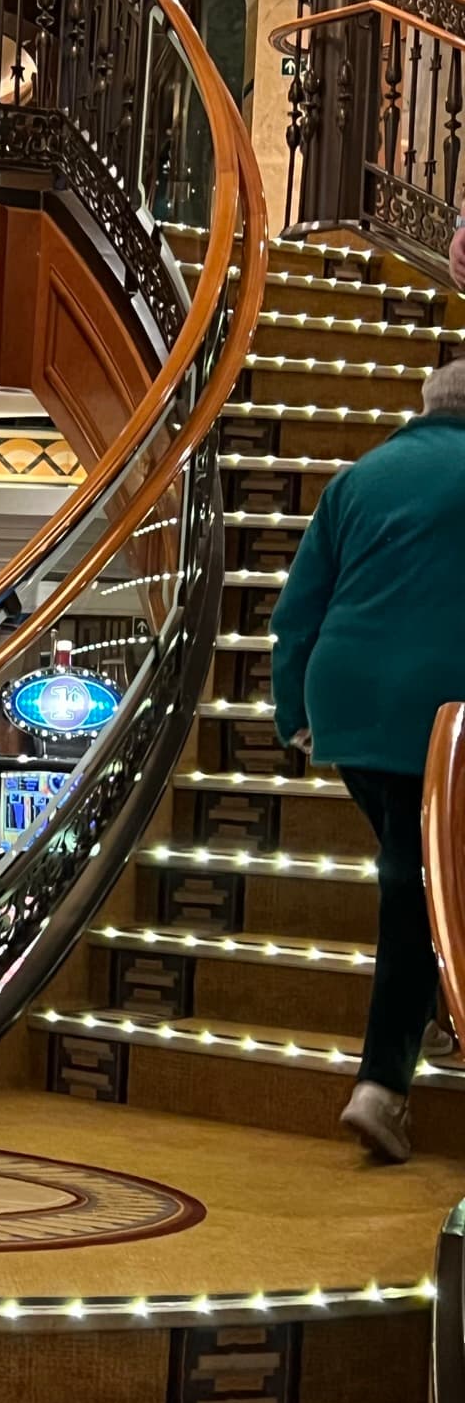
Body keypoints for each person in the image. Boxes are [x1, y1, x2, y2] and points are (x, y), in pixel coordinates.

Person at [270, 356, 465, 1164]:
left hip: (345, 700)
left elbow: (295, 608)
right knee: (418, 881)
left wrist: (293, 716)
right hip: (443, 707)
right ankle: (382, 1084)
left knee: (417, 867)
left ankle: (434, 1010)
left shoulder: (361, 476)